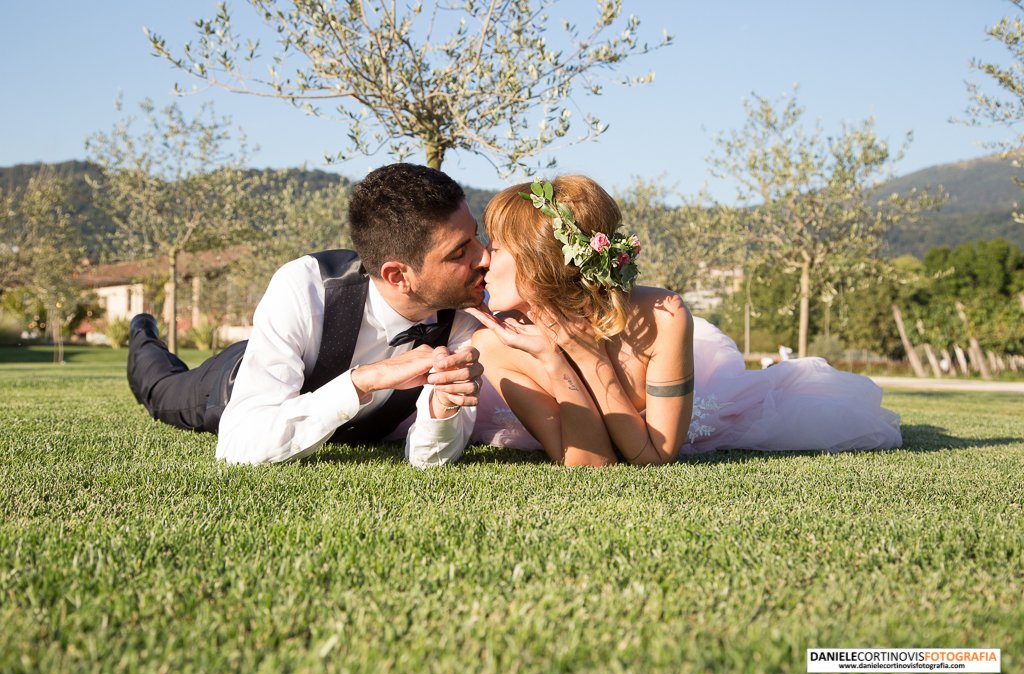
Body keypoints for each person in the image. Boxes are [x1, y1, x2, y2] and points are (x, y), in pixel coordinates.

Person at [468, 176, 902, 466]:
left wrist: (588, 354)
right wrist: (558, 361)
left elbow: (655, 455)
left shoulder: (663, 317)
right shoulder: (497, 345)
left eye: (498, 246)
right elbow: (591, 466)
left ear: (543, 262)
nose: (483, 258)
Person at [127, 163, 489, 467]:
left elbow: (431, 459)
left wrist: (443, 406)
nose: (484, 257)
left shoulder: (464, 310)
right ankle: (143, 331)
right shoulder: (306, 287)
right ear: (398, 276)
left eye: (476, 238)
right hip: (232, 383)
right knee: (159, 388)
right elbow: (238, 445)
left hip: (300, 375)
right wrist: (362, 381)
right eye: (460, 253)